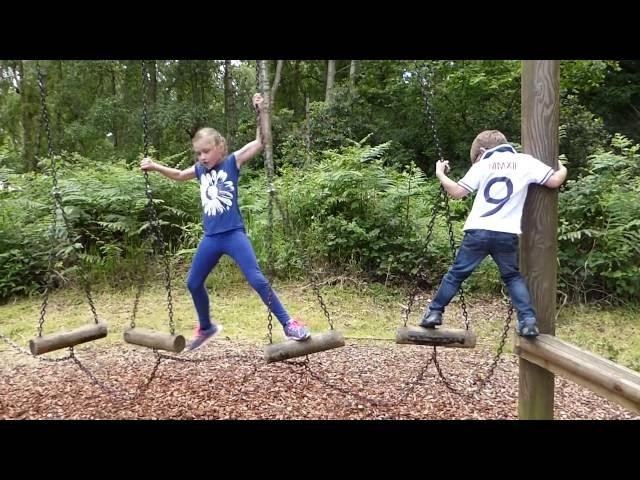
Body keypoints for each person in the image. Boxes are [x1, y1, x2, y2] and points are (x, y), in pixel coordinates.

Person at [140, 93, 310, 351]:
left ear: (220, 147)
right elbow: (177, 175)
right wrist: (154, 166)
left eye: (206, 151)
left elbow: (261, 142)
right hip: (211, 238)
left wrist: (262, 112)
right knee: (193, 282)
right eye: (198, 153)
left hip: (233, 235)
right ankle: (206, 326)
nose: (202, 157)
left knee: (257, 279)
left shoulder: (233, 161)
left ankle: (288, 323)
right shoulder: (198, 170)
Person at [419, 130, 567, 337]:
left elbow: (457, 192)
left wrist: (440, 174)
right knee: (513, 277)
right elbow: (554, 181)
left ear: (482, 151)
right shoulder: (525, 162)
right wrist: (562, 168)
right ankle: (528, 321)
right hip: (506, 233)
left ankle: (433, 313)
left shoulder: (483, 165)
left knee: (457, 274)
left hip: (478, 230)